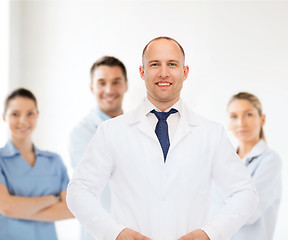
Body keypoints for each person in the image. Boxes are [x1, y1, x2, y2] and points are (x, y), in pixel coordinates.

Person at [67, 37, 258, 240]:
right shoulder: (111, 131)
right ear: (142, 72)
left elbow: (245, 193)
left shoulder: (211, 133)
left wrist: (210, 234)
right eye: (155, 64)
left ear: (185, 72)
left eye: (172, 64)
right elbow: (79, 191)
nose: (164, 73)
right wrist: (114, 233)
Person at [0, 88, 74, 240]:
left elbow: (71, 209)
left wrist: (19, 210)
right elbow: (6, 207)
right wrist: (51, 199)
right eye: (15, 114)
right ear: (4, 117)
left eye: (30, 113)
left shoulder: (54, 161)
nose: (23, 120)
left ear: (37, 115)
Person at [69, 56, 128, 239]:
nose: (109, 90)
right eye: (102, 83)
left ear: (125, 85)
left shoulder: (140, 128)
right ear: (92, 87)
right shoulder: (82, 133)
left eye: (116, 82)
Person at [211, 92, 282, 240]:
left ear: (262, 119)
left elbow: (249, 212)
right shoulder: (222, 159)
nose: (241, 123)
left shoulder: (270, 160)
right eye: (234, 116)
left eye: (248, 115)